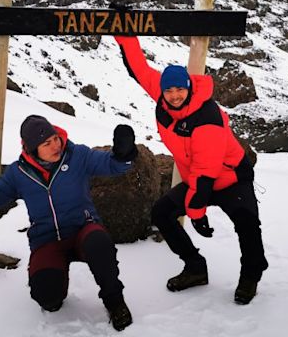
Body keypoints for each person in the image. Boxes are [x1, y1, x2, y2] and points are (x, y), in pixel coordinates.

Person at [113, 36, 268, 304]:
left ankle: (251, 275)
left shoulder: (207, 117)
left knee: (247, 223)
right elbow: (139, 69)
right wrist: (124, 32)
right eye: (168, 91)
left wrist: (197, 214)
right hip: (199, 178)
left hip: (230, 177)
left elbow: (206, 171)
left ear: (188, 88)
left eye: (179, 90)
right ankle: (195, 267)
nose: (174, 96)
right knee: (162, 213)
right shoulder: (165, 100)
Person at [0, 114, 138, 331]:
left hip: (83, 229)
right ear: (32, 149)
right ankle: (56, 285)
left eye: (55, 138)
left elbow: (112, 165)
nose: (56, 145)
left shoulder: (77, 155)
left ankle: (115, 300)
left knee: (99, 244)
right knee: (47, 296)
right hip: (47, 239)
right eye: (47, 143)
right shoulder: (18, 173)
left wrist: (123, 155)